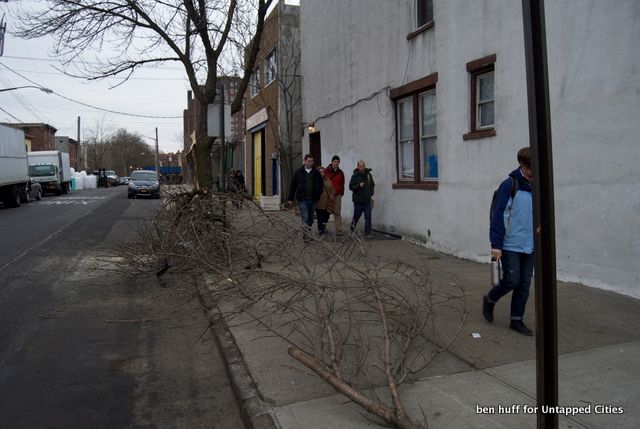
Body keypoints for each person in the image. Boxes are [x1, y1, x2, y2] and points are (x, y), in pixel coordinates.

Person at [482, 147, 534, 336]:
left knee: (524, 284)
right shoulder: (510, 185)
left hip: (530, 245)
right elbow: (498, 216)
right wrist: (496, 245)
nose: (533, 172)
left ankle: (517, 321)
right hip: (510, 243)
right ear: (522, 165)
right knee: (512, 279)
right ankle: (490, 299)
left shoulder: (538, 185)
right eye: (530, 168)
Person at [287, 154, 323, 242]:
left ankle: (308, 233)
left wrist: (318, 194)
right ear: (305, 161)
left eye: (312, 161)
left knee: (310, 218)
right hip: (302, 199)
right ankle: (306, 236)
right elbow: (293, 185)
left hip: (313, 199)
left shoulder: (316, 173)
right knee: (305, 217)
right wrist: (290, 198)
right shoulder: (298, 172)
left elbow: (320, 185)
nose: (311, 163)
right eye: (309, 161)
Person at [349, 160, 375, 238]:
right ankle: (351, 229)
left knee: (368, 217)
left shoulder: (368, 175)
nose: (362, 168)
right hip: (358, 201)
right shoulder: (355, 175)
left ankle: (368, 232)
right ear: (358, 167)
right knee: (356, 216)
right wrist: (358, 185)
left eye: (363, 166)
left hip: (367, 200)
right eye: (360, 166)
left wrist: (370, 193)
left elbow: (372, 185)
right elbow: (351, 187)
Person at [325, 155, 345, 234]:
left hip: (337, 195)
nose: (336, 163)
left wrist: (342, 192)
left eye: (338, 162)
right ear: (332, 162)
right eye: (335, 161)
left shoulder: (340, 172)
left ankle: (339, 230)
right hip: (328, 195)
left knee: (337, 212)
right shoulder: (326, 171)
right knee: (326, 212)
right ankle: (323, 227)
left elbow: (342, 183)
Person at [315, 166, 336, 236]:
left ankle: (323, 228)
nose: (322, 173)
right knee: (320, 217)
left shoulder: (327, 179)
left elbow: (332, 188)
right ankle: (321, 231)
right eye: (320, 172)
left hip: (328, 202)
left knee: (326, 217)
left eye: (322, 171)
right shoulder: (315, 180)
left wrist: (332, 195)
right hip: (319, 202)